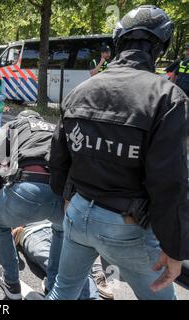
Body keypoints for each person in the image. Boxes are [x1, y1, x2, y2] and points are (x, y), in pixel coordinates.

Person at [47, 5, 188, 300]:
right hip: (126, 226)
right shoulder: (167, 97)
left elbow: (58, 158)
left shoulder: (82, 89)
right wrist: (175, 249)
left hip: (77, 211)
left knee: (64, 290)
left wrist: (68, 200)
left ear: (118, 42)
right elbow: (170, 183)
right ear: (160, 47)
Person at [0, 110, 67, 300]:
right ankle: (53, 284)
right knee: (61, 231)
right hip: (62, 194)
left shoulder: (14, 125)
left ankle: (11, 283)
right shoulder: (56, 127)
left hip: (29, 188)